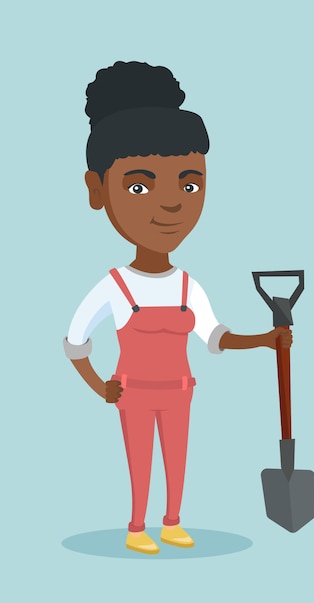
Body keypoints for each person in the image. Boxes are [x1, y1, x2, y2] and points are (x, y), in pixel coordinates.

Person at [64, 61, 291, 555]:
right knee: (139, 459)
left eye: (190, 185)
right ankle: (135, 528)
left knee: (178, 458)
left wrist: (266, 338)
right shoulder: (114, 287)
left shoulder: (189, 285)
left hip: (180, 392)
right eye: (139, 187)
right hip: (133, 395)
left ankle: (172, 522)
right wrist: (100, 385)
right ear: (97, 190)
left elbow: (215, 336)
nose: (170, 205)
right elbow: (76, 343)